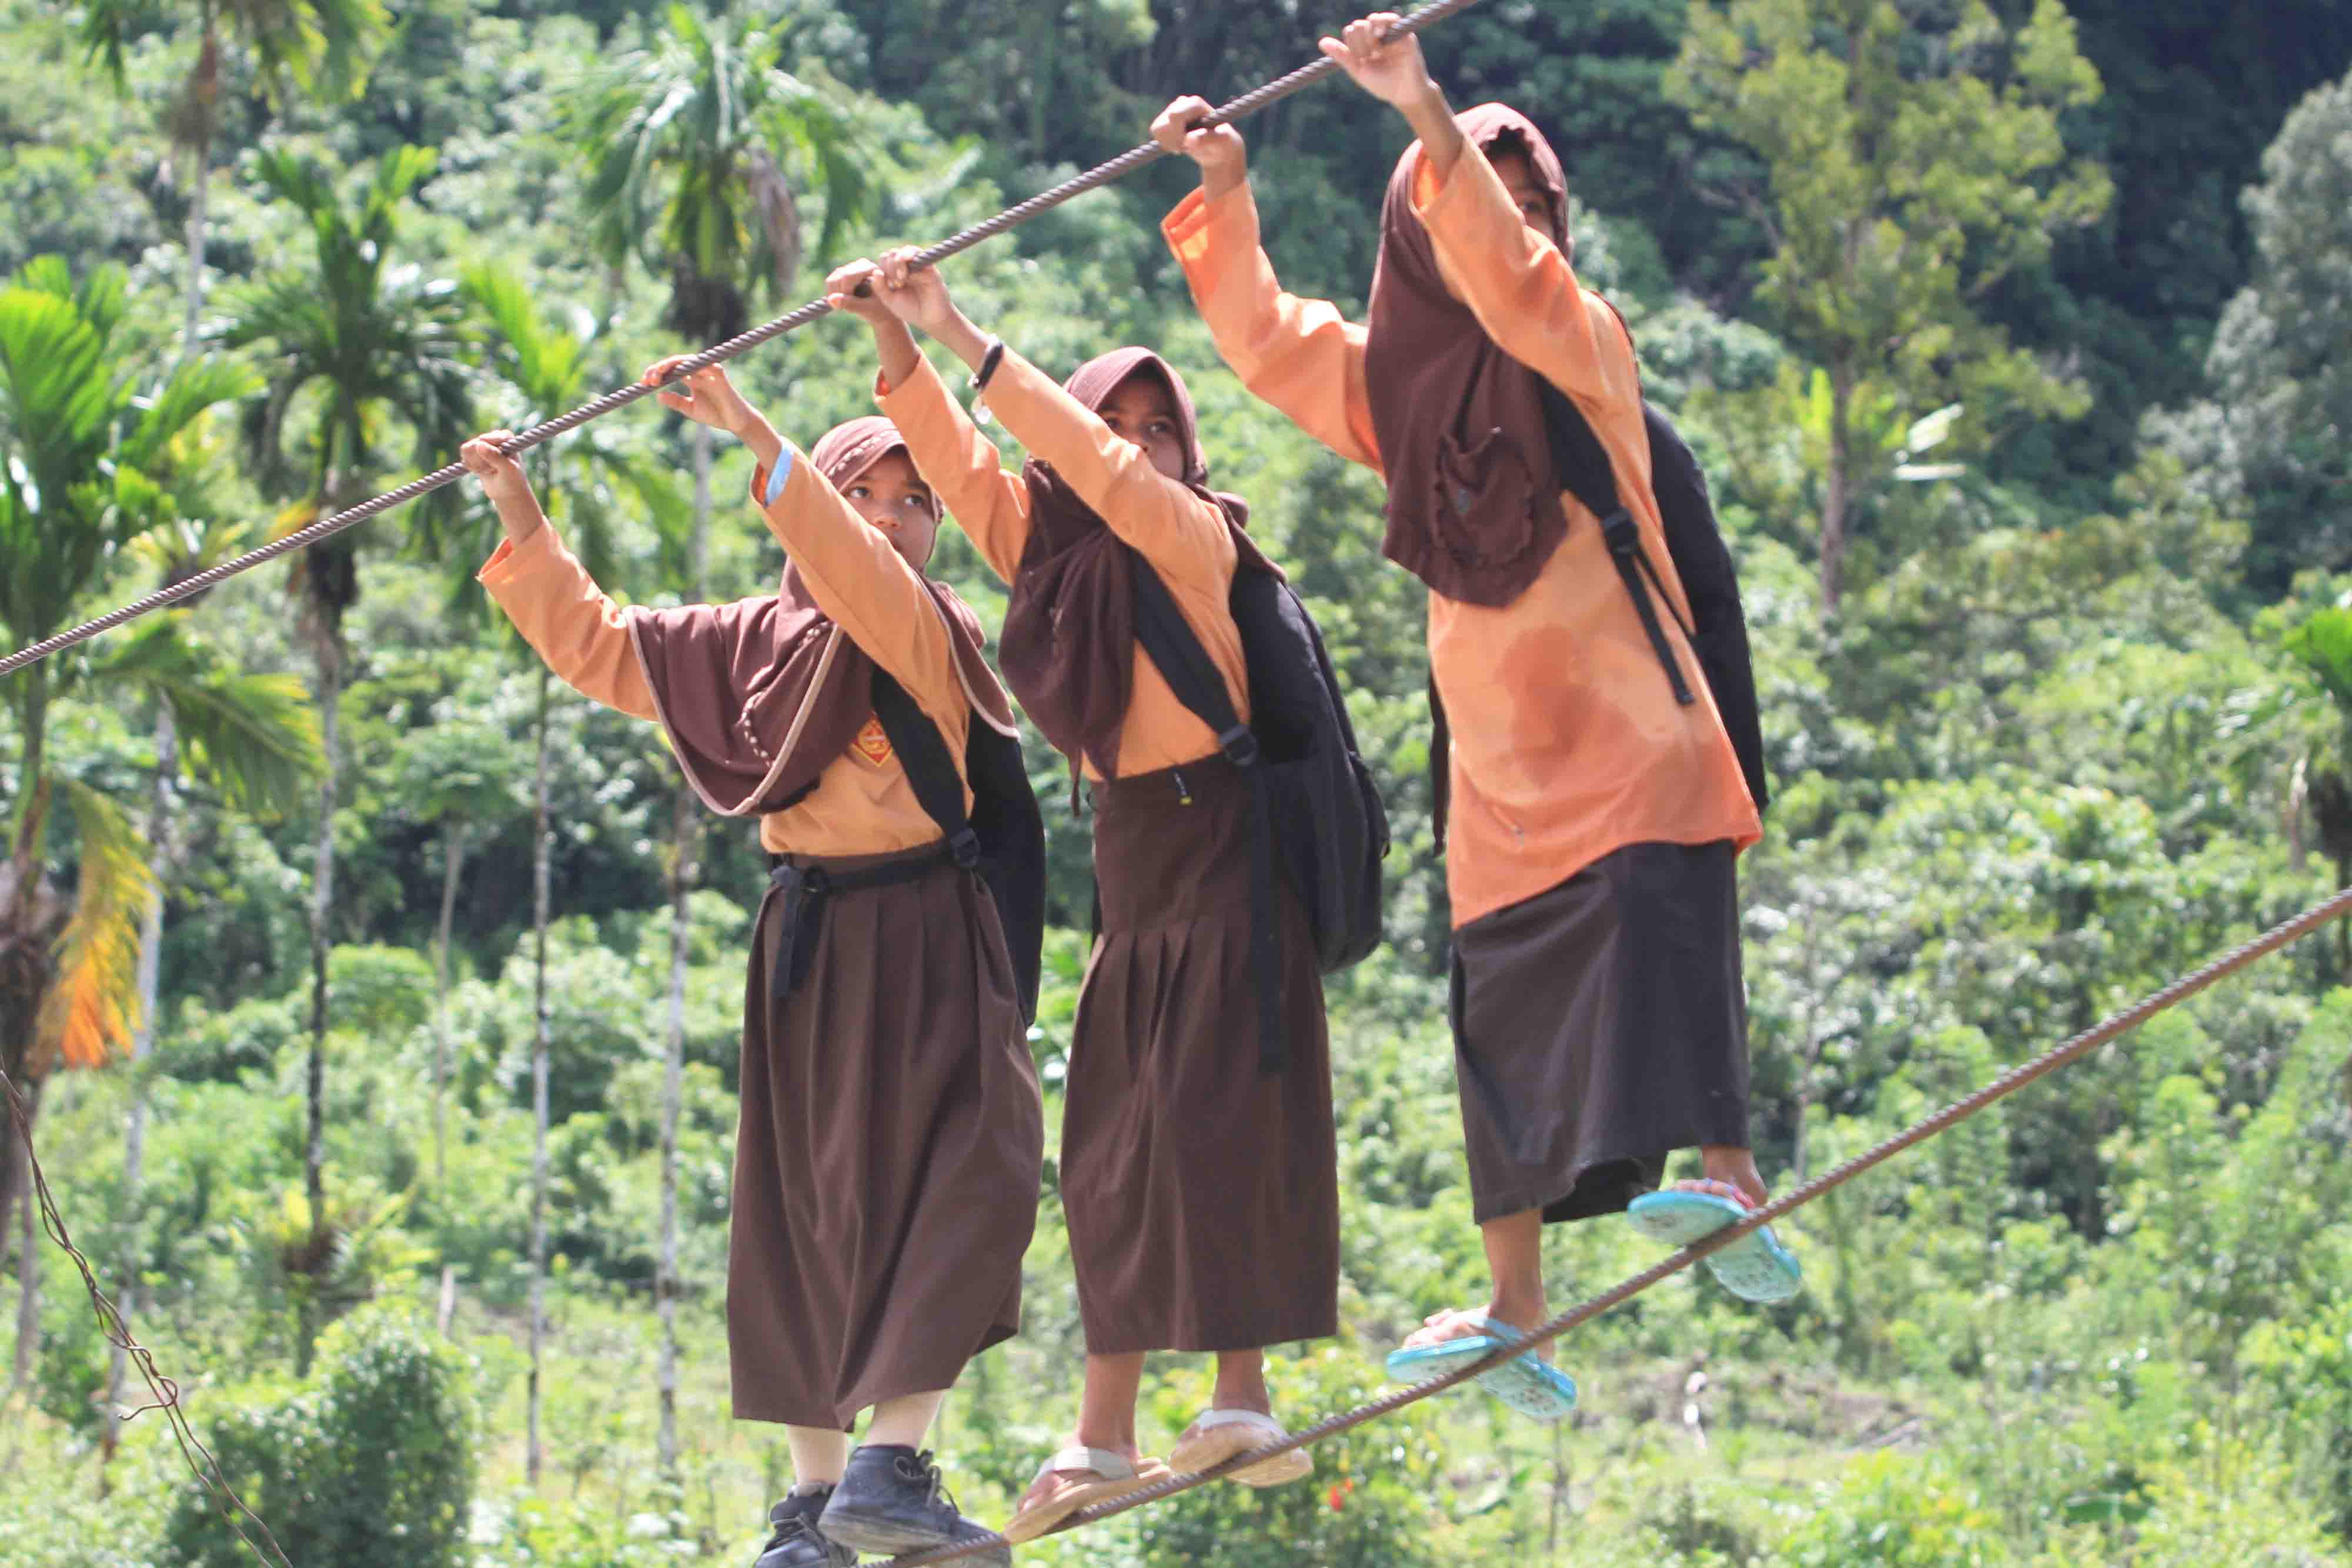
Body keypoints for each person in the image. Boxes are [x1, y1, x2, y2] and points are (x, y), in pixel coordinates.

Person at [1151, 10, 1790, 1421]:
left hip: (1629, 728)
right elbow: (1262, 340)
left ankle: (1726, 1173)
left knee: (1657, 919)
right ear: (1409, 238)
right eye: (1481, 206)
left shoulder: (1584, 347)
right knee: (1495, 1010)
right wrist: (1227, 190)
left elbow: (1514, 284)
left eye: (1537, 207)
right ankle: (1514, 1307)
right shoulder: (1399, 398)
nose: (1514, 228)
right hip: (1502, 774)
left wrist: (1430, 117)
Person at [461, 364, 1043, 1567]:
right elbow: (604, 647)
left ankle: (887, 1463)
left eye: (911, 498)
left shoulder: (933, 623)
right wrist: (523, 515)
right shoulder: (745, 643)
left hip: (930, 926)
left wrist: (755, 437)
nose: (889, 517)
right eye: (862, 492)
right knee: (803, 1211)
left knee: (982, 1169)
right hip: (809, 939)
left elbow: (863, 580)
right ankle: (815, 1507)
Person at [818, 248, 1341, 1539]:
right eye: (1119, 427)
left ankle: (1238, 1393)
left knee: (1223, 1127)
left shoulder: (1194, 535)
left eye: (1163, 429)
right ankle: (1101, 1431)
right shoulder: (1057, 569)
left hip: (1226, 852)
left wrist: (959, 329)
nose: (1138, 449)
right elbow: (967, 471)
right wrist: (898, 346)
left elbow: (1083, 475)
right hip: (1131, 861)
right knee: (1108, 1150)